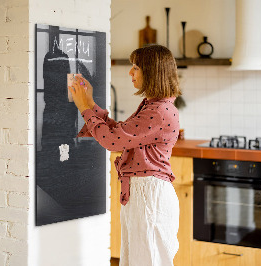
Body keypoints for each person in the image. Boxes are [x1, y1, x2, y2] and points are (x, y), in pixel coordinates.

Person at [68, 44, 181, 266]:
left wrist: (84, 108)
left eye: (136, 67)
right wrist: (90, 103)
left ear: (152, 71)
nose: (130, 72)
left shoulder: (158, 111)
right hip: (143, 194)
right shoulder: (154, 106)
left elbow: (112, 141)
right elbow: (120, 133)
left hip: (149, 196)